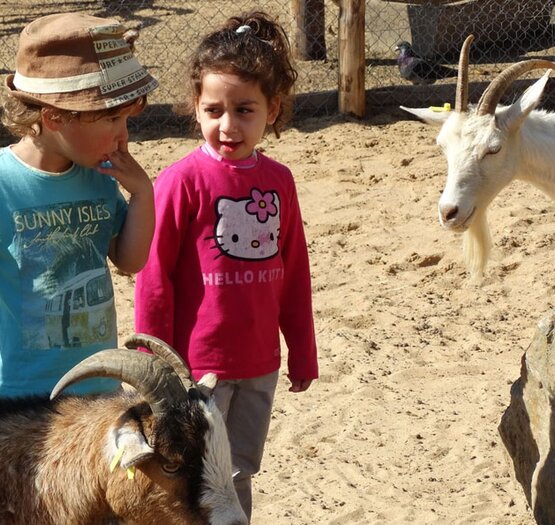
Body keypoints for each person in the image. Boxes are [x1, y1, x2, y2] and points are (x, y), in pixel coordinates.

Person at [134, 10, 318, 521]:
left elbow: (293, 272)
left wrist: (301, 350)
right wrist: (156, 365)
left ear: (273, 109)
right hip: (199, 369)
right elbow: (154, 280)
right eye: (214, 109)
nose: (228, 125)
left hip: (260, 364)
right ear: (195, 107)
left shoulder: (280, 182)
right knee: (192, 472)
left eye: (244, 109)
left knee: (240, 472)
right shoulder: (180, 182)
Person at [0, 12, 158, 397]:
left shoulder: (99, 177)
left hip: (97, 386)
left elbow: (129, 260)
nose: (124, 136)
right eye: (112, 120)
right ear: (54, 117)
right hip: (20, 393)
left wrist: (142, 195)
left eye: (126, 119)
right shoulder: (5, 183)